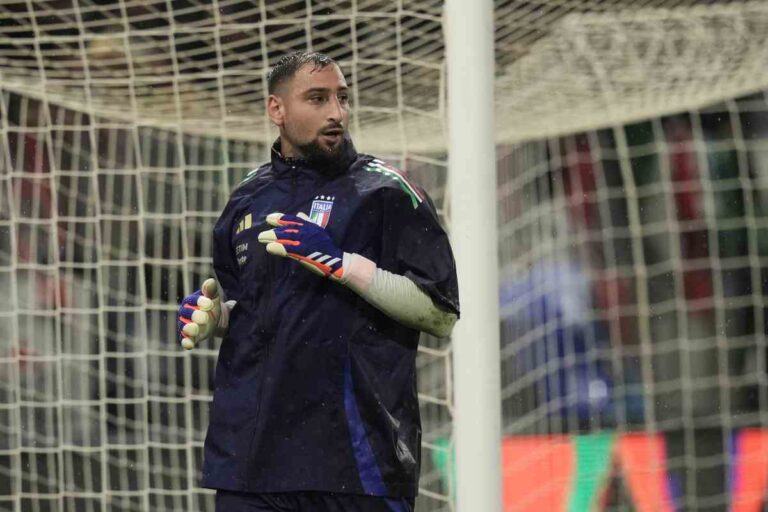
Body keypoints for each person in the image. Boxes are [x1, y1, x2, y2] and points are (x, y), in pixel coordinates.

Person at [176, 51, 460, 512]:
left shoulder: (384, 192)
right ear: (277, 110)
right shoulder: (247, 197)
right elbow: (258, 308)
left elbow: (441, 314)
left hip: (357, 465)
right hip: (253, 463)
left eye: (342, 98)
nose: (337, 113)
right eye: (318, 98)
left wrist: (343, 264)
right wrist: (216, 319)